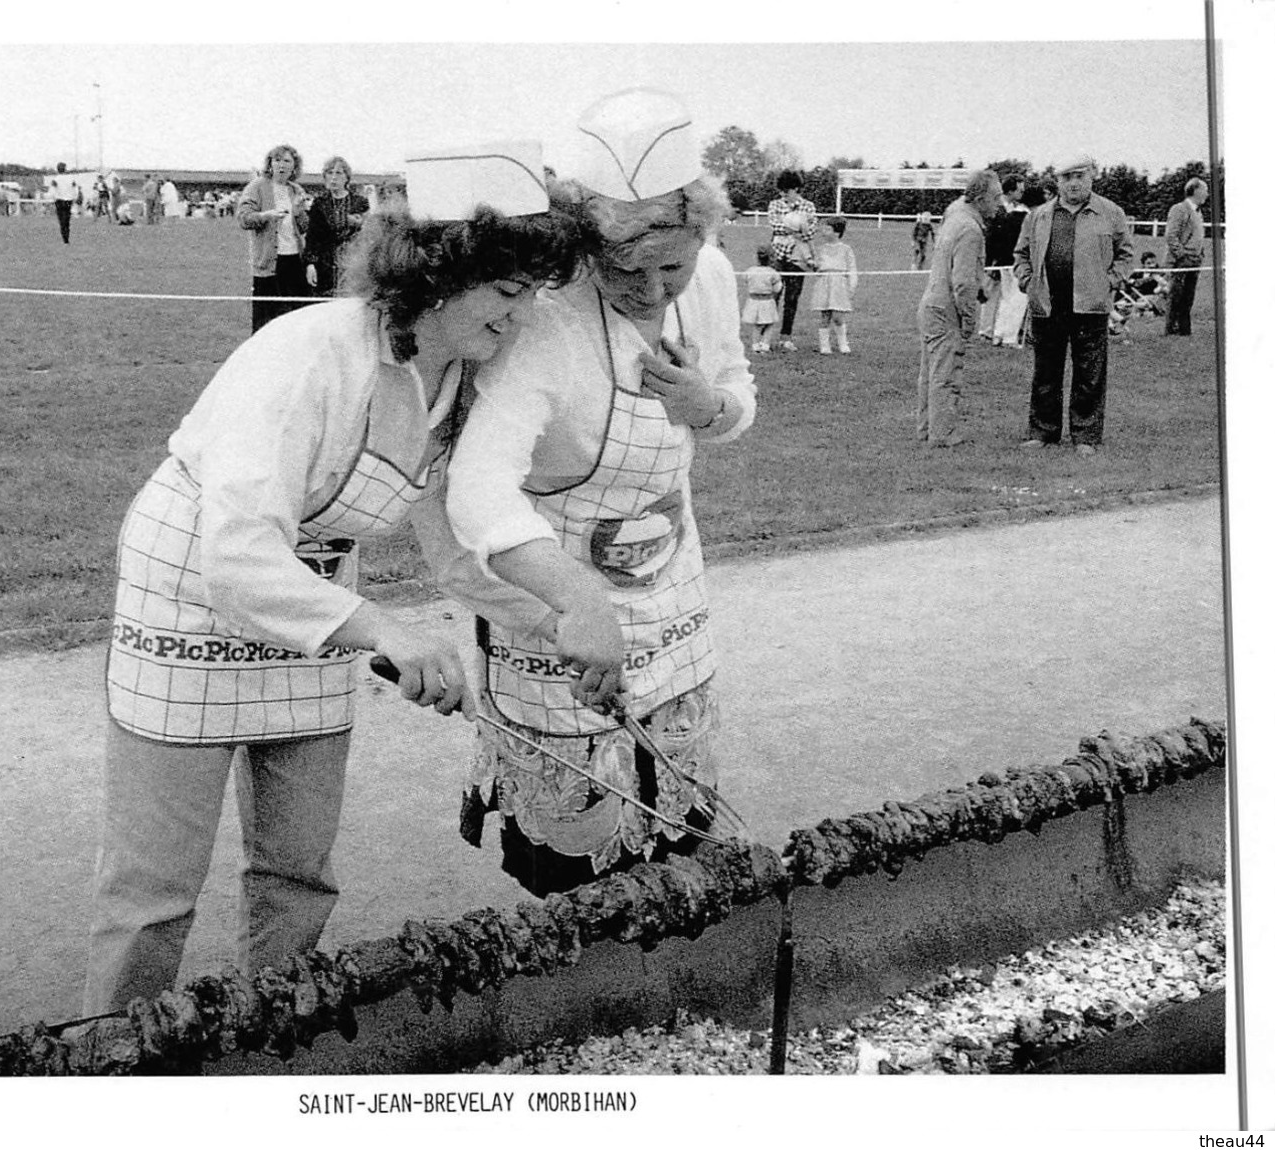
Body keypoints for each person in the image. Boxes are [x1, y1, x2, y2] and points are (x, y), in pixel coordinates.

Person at [82, 140, 583, 1013]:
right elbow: (236, 557)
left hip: (317, 600)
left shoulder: (461, 376)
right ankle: (111, 1064)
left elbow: (456, 547)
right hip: (192, 593)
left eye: (533, 292)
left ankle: (270, 1039)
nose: (522, 315)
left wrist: (556, 627)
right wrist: (383, 628)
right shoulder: (309, 351)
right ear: (434, 273)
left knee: (297, 869)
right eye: (507, 290)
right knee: (153, 889)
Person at [441, 89, 758, 898]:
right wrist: (575, 599)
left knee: (679, 827)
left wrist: (709, 409)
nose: (653, 290)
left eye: (672, 267)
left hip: (669, 585)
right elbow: (476, 491)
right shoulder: (546, 326)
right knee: (579, 859)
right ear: (588, 252)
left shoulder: (712, 276)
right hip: (554, 601)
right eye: (627, 270)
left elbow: (733, 390)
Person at [1013, 153, 1134, 456]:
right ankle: (1043, 431)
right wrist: (1027, 281)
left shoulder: (1111, 212)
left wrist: (1111, 281)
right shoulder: (1038, 215)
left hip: (1090, 306)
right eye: (1067, 177)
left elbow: (1126, 254)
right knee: (1046, 373)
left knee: (1089, 374)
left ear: (1092, 176)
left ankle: (1086, 436)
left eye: (1080, 175)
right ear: (1057, 182)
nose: (1074, 183)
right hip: (1047, 305)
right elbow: (1021, 254)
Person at [915, 169, 1004, 448]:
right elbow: (964, 284)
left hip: (931, 305)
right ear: (980, 199)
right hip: (946, 311)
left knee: (930, 373)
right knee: (946, 374)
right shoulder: (970, 230)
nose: (999, 204)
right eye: (995, 198)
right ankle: (943, 434)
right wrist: (968, 321)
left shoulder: (956, 213)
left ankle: (927, 429)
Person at [237, 144, 313, 333]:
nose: (282, 165)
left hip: (295, 261)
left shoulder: (296, 190)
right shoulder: (256, 187)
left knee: (296, 316)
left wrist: (298, 213)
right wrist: (266, 215)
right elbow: (243, 219)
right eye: (277, 160)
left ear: (294, 166)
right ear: (270, 164)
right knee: (265, 320)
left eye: (287, 161)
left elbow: (305, 227)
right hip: (268, 263)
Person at [303, 155, 371, 298]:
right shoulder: (320, 203)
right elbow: (312, 237)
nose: (333, 177)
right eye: (329, 173)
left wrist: (360, 224)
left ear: (347, 177)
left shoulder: (360, 202)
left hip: (352, 263)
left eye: (338, 173)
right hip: (325, 265)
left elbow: (369, 235)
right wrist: (310, 265)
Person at [766, 170, 817, 351]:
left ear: (796, 189)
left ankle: (785, 337)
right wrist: (798, 226)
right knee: (772, 296)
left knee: (792, 298)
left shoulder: (809, 206)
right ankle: (765, 337)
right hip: (777, 256)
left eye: (786, 191)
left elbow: (810, 232)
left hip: (798, 258)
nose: (783, 195)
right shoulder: (775, 205)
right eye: (781, 191)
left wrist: (793, 227)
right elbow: (775, 226)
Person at [986, 174, 1030, 347]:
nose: (1021, 193)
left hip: (1005, 261)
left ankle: (999, 334)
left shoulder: (1010, 213)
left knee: (1006, 298)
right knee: (1017, 299)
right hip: (1013, 262)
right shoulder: (1018, 215)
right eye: (1020, 190)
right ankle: (1009, 337)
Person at [1163, 176, 1208, 337]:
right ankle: (1172, 330)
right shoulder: (1179, 209)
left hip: (1195, 260)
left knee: (1188, 297)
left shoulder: (1198, 212)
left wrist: (1200, 254)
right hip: (1181, 261)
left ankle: (1184, 330)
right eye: (1205, 190)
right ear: (1195, 190)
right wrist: (1181, 255)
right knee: (1176, 296)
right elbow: (1171, 236)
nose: (1206, 194)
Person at [808, 216, 858, 354]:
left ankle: (843, 343)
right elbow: (817, 267)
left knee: (838, 316)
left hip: (839, 284)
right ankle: (824, 345)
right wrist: (813, 265)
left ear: (837, 232)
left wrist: (852, 285)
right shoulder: (820, 249)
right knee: (825, 315)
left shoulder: (846, 249)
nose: (823, 231)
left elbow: (852, 268)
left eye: (827, 229)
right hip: (824, 283)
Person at [741, 244, 783, 353]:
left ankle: (756, 346)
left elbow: (745, 280)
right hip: (767, 301)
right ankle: (764, 345)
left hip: (753, 300)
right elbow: (777, 289)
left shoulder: (750, 271)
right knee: (769, 323)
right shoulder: (773, 273)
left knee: (757, 325)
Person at [50, 161, 80, 244]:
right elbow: (75, 189)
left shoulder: (55, 179)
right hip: (68, 201)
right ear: (65, 169)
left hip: (59, 201)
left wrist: (54, 199)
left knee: (61, 220)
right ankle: (67, 236)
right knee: (67, 219)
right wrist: (74, 197)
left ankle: (65, 238)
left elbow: (52, 191)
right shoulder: (70, 179)